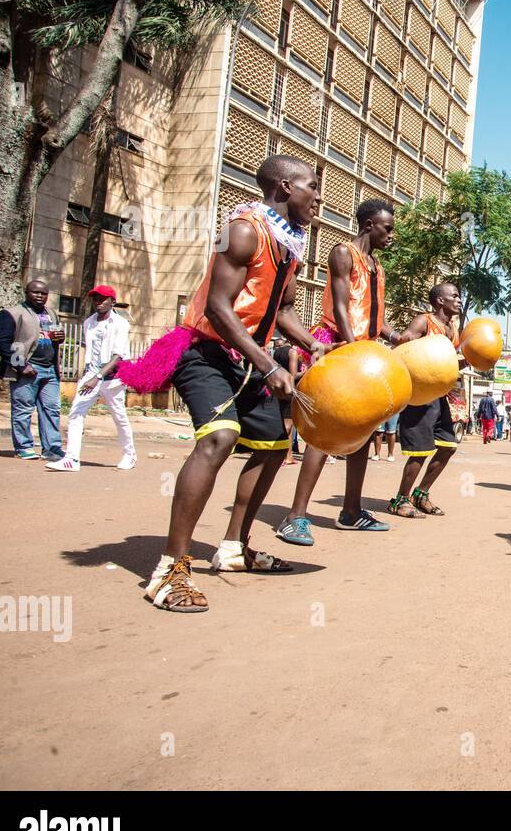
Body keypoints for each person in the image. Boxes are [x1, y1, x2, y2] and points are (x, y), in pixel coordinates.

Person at [144, 155, 329, 612]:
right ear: (285, 187)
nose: (319, 197)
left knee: (272, 444)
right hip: (205, 353)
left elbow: (280, 311)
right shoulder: (243, 229)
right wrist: (270, 366)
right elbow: (217, 308)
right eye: (312, 187)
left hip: (248, 361)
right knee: (220, 437)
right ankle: (170, 569)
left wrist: (312, 344)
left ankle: (233, 548)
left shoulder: (289, 245)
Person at [274, 199, 401, 546]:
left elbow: (373, 316)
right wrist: (351, 348)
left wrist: (394, 336)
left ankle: (351, 511)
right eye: (387, 228)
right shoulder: (343, 253)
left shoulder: (377, 266)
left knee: (361, 428)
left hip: (365, 353)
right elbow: (343, 307)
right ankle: (295, 516)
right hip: (338, 347)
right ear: (368, 225)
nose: (392, 235)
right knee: (324, 430)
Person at [387, 283, 468, 518]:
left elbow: (447, 363)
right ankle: (400, 499)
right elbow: (405, 344)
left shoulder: (452, 328)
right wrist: (404, 338)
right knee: (420, 451)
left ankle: (420, 494)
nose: (459, 299)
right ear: (440, 301)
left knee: (448, 447)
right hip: (419, 396)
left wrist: (469, 358)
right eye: (454, 295)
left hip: (439, 397)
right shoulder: (424, 321)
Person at [46, 285, 136, 472]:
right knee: (76, 412)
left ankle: (130, 454)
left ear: (112, 302)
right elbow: (92, 353)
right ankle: (71, 459)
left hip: (113, 377)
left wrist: (97, 377)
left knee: (118, 416)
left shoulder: (120, 324)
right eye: (96, 299)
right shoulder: (89, 323)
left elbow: (118, 355)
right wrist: (90, 375)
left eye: (103, 299)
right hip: (91, 374)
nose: (98, 302)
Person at [0, 278, 66, 461]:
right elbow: (1, 342)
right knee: (23, 409)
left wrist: (61, 337)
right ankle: (24, 447)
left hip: (50, 370)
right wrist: (20, 365)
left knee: (51, 409)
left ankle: (52, 448)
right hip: (27, 369)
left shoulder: (51, 314)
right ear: (26, 293)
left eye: (44, 293)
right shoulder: (12, 313)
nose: (40, 296)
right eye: (36, 292)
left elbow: (53, 337)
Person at [271, 335, 303, 466]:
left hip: (278, 388)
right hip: (289, 390)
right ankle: (281, 456)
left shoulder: (276, 352)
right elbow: (293, 375)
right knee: (288, 425)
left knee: (285, 422)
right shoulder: (292, 352)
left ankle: (288, 456)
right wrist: (310, 370)